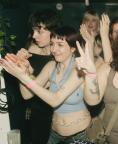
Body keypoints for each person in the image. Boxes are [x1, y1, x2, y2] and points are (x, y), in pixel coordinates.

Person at [1, 26, 93, 144]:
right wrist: (22, 70)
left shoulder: (79, 68)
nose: (54, 49)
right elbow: (26, 94)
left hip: (79, 135)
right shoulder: (51, 66)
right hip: (54, 134)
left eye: (60, 45)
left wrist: (22, 77)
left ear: (73, 48)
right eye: (52, 44)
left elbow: (55, 100)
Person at [15, 8, 61, 144]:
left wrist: (24, 72)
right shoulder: (31, 48)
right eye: (33, 31)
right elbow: (26, 93)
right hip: (35, 114)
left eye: (39, 31)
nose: (34, 36)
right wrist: (21, 65)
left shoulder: (60, 56)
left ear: (52, 31)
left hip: (57, 116)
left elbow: (45, 86)